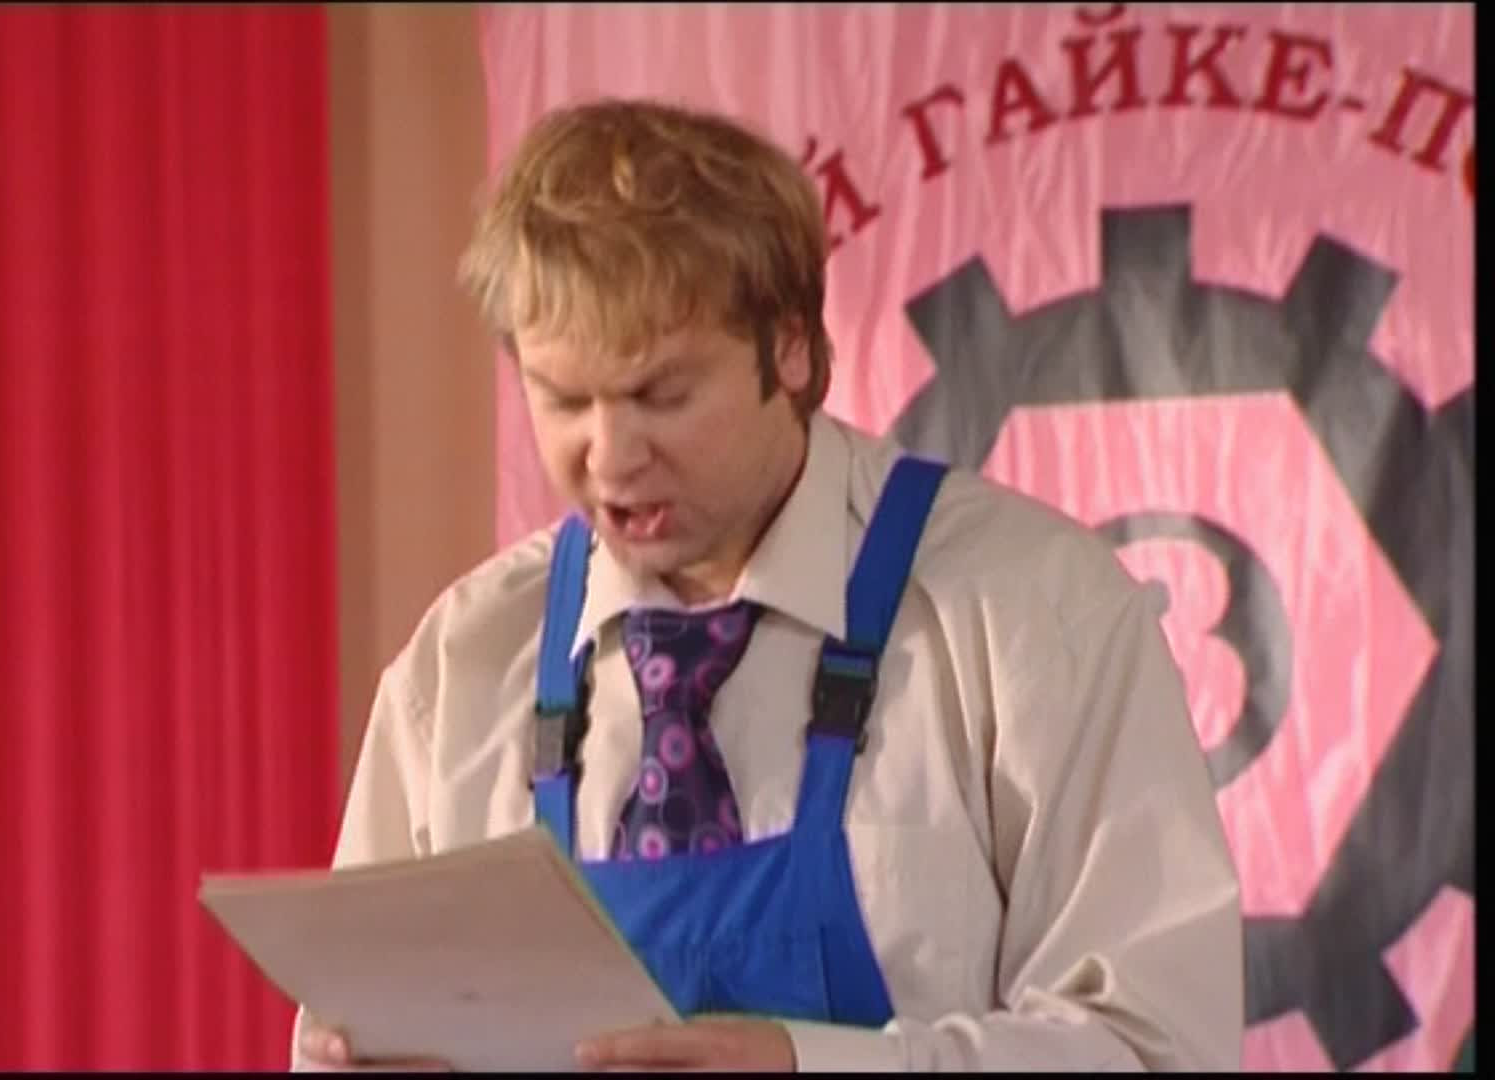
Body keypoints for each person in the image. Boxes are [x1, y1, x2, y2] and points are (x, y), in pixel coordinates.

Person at [293, 97, 1243, 1072]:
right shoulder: (460, 667)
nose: (609, 457)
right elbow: (344, 1035)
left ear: (789, 348)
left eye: (662, 395)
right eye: (564, 400)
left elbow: (1158, 1047)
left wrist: (812, 1068)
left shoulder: (1035, 614)